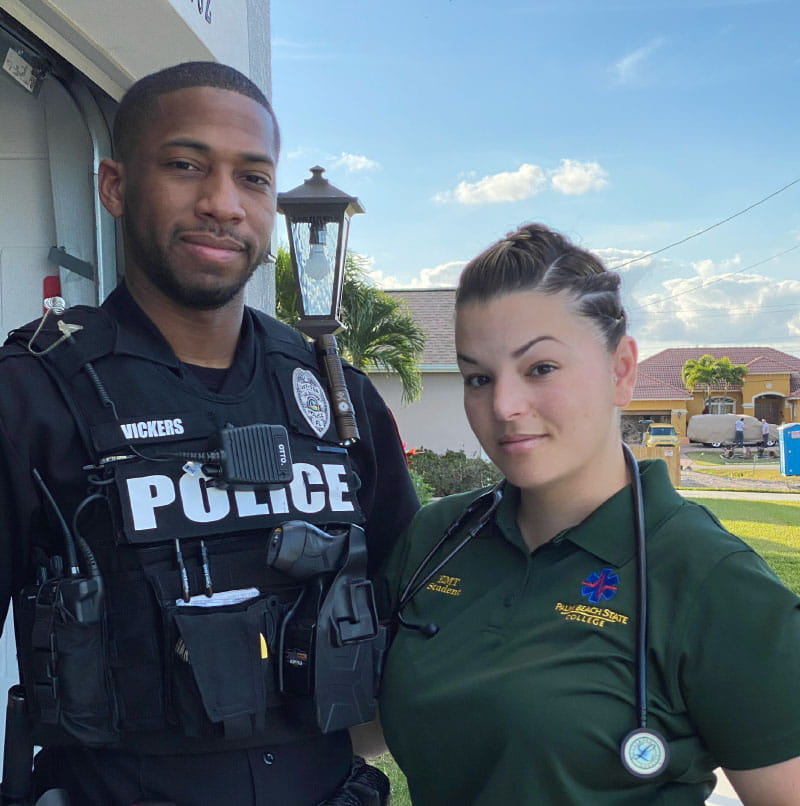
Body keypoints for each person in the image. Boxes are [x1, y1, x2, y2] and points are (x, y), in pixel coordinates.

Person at [0, 62, 418, 806]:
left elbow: (419, 609)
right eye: (187, 165)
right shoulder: (31, 395)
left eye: (252, 178)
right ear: (116, 186)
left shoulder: (334, 394)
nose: (223, 203)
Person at [377, 223, 800, 805]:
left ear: (622, 370)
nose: (503, 405)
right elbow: (361, 724)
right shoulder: (437, 538)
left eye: (540, 368)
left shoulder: (711, 579)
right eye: (479, 377)